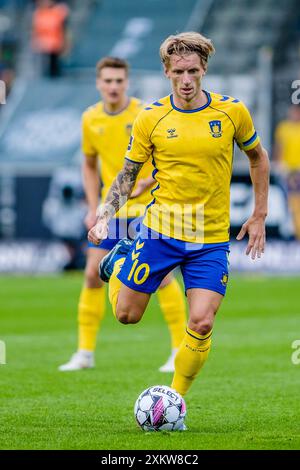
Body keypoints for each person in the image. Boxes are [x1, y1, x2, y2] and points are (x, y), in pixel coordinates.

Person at [88, 32, 269, 401]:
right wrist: (105, 214)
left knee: (201, 322)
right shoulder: (150, 118)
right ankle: (121, 254)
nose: (186, 80)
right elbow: (127, 173)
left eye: (193, 72)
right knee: (126, 316)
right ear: (167, 73)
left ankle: (174, 401)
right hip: (159, 234)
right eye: (178, 73)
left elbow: (258, 157)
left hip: (211, 240)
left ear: (204, 70)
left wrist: (259, 214)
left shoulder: (232, 112)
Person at [59, 57, 186, 372]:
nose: (114, 86)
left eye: (119, 80)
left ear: (127, 83)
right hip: (111, 210)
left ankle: (178, 351)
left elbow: (170, 160)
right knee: (92, 274)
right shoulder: (90, 119)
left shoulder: (146, 113)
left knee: (163, 277)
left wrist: (148, 181)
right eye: (108, 80)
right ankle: (85, 353)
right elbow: (89, 164)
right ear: (98, 83)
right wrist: (93, 206)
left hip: (148, 209)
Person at [274, 104, 300, 239]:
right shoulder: (283, 128)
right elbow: (279, 148)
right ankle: (291, 232)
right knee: (289, 202)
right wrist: (281, 167)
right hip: (287, 171)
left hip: (298, 170)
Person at [31, 0, 69, 77]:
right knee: (43, 67)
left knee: (54, 65)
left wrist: (64, 42)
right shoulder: (38, 13)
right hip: (43, 45)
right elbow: (36, 29)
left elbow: (62, 28)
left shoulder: (59, 11)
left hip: (55, 44)